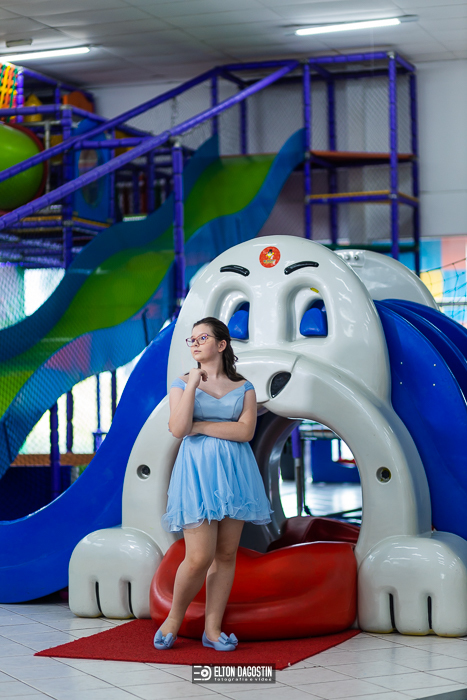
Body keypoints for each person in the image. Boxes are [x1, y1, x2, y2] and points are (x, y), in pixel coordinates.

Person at [154, 316, 273, 651]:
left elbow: (245, 432)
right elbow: (178, 428)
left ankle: (213, 629)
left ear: (221, 344)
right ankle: (173, 620)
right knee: (199, 556)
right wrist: (193, 384)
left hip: (235, 474)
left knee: (226, 553)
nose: (194, 343)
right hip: (197, 474)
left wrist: (201, 425)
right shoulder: (181, 384)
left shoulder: (245, 387)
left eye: (202, 337)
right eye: (191, 339)